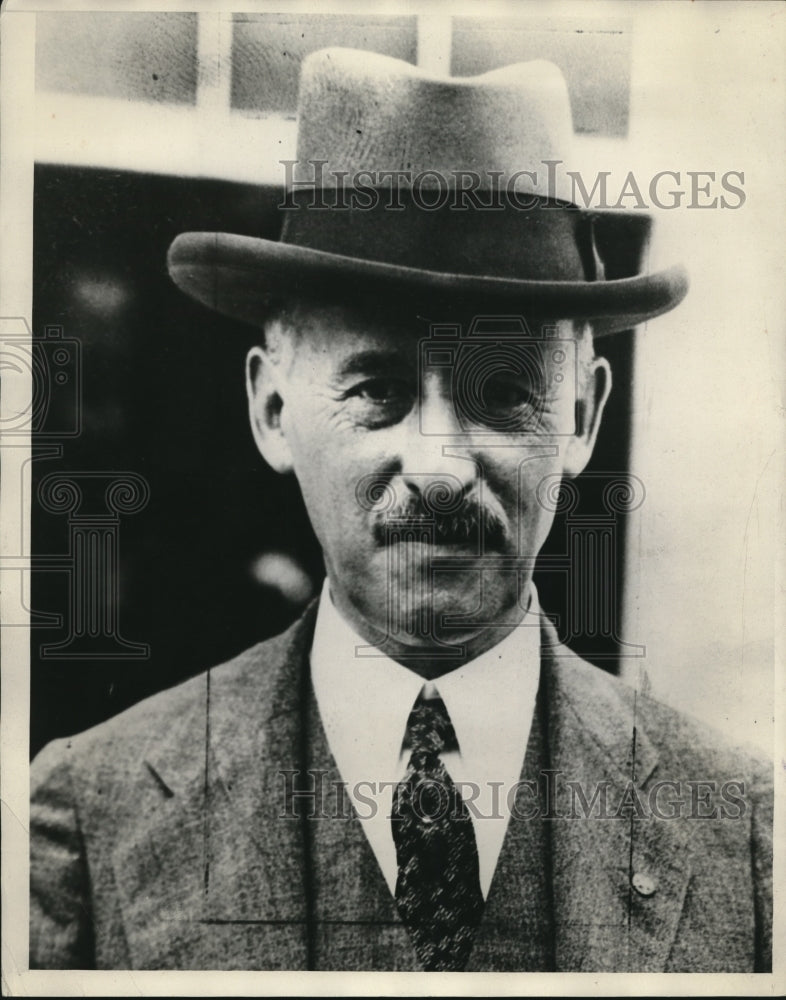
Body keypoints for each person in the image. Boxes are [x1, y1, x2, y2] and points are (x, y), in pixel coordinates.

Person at [30, 48, 772, 973]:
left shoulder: (745, 831)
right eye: (376, 389)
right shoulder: (83, 821)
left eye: (501, 392)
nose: (438, 467)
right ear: (272, 411)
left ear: (582, 416)